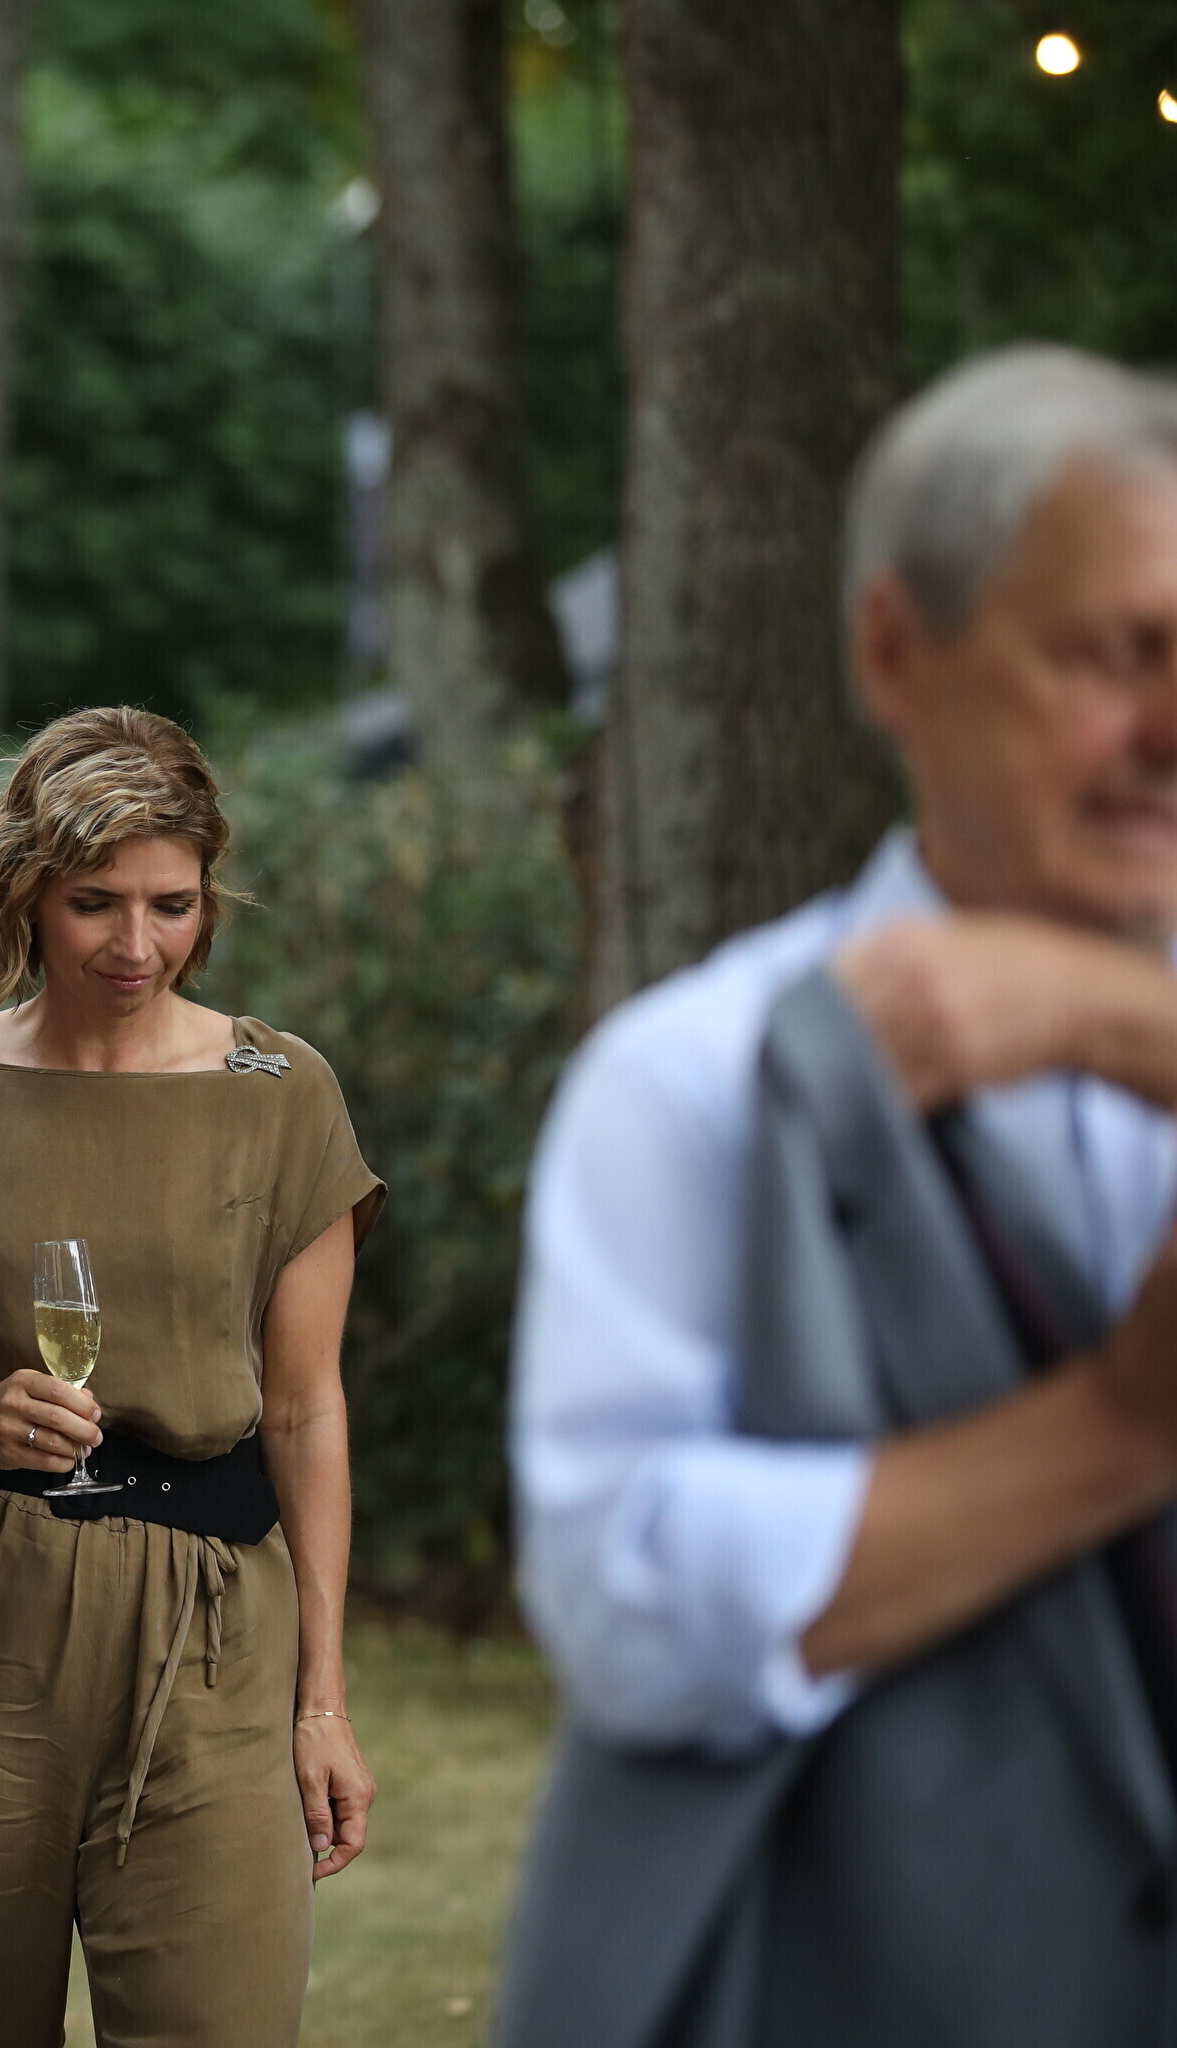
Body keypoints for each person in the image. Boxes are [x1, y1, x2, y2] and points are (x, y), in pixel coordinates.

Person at [501, 346, 1177, 2041]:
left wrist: (1120, 1024)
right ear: (894, 652)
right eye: (1115, 654)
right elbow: (627, 1593)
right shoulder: (701, 1076)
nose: (1168, 730)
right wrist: (1118, 1427)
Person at [0, 709, 382, 2047]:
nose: (137, 945)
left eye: (171, 905)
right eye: (95, 904)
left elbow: (305, 1409)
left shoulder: (279, 1089)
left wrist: (322, 1701)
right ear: (28, 891)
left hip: (217, 1641)